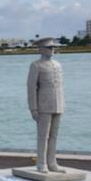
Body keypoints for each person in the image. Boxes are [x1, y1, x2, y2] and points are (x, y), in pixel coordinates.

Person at [28, 37, 66, 173]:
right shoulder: (36, 65)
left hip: (58, 104)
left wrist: (62, 103)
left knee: (54, 135)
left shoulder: (57, 64)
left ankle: (52, 162)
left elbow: (60, 86)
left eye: (53, 47)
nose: (52, 50)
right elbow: (31, 88)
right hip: (43, 105)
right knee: (43, 136)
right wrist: (33, 108)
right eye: (49, 47)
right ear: (41, 49)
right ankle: (41, 163)